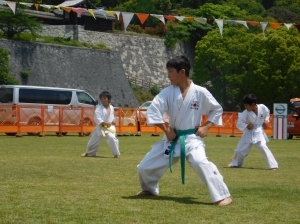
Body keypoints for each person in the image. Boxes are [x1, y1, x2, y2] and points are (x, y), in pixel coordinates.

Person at [137, 55, 232, 206]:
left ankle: (222, 195)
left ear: (182, 72)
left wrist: (206, 126)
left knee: (200, 161)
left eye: (170, 71)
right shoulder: (168, 92)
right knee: (144, 166)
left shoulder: (200, 92)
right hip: (172, 139)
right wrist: (167, 130)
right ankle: (149, 188)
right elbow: (153, 110)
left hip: (192, 139)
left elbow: (216, 109)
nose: (168, 76)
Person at [228, 94, 278, 170]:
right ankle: (235, 164)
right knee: (239, 150)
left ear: (253, 104)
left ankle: (273, 166)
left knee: (263, 146)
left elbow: (267, 114)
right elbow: (239, 123)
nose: (245, 107)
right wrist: (246, 126)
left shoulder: (262, 107)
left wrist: (266, 121)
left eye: (246, 105)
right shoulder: (245, 112)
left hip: (259, 131)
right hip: (249, 132)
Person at [81, 91, 120, 158]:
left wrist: (113, 121)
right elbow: (98, 119)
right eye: (101, 98)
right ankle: (88, 152)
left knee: (112, 138)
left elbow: (112, 117)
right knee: (92, 141)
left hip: (110, 128)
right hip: (100, 127)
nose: (103, 100)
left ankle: (116, 154)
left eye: (105, 98)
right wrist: (107, 123)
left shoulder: (111, 107)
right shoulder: (98, 109)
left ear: (109, 99)